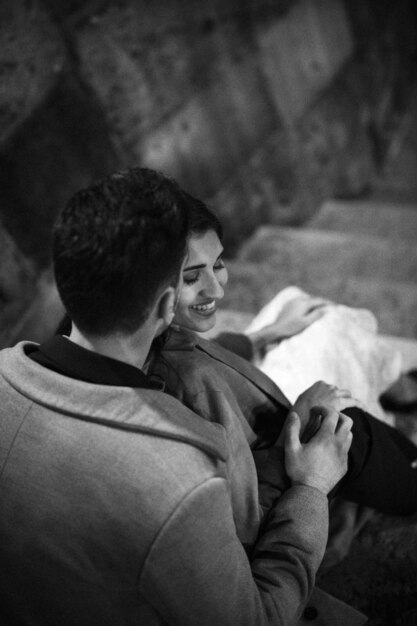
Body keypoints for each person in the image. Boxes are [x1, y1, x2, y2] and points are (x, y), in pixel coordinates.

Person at [0, 167, 353, 626]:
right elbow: (255, 619)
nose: (215, 285)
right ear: (169, 306)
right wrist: (310, 488)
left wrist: (257, 337)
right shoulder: (178, 480)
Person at [148, 193, 417, 523]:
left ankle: (397, 394)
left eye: (218, 264)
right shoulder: (178, 387)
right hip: (286, 460)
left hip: (264, 398)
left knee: (296, 305)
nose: (217, 289)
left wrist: (268, 334)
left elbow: (203, 346)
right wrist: (299, 418)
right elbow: (243, 512)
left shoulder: (158, 334)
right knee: (345, 409)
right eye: (191, 277)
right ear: (151, 287)